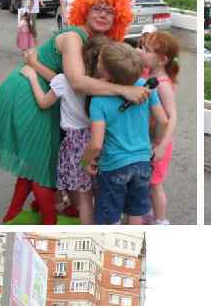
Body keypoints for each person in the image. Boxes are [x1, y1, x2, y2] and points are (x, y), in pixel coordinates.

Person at [0, 0, 151, 225]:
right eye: (97, 8)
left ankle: (37, 207)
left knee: (43, 158)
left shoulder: (96, 41)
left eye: (110, 11)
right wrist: (124, 89)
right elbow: (75, 81)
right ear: (85, 9)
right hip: (29, 91)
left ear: (118, 17)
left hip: (50, 90)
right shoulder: (74, 37)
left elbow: (66, 80)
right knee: (42, 160)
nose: (103, 15)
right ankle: (42, 219)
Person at [20, 35, 110, 225]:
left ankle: (87, 230)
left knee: (84, 199)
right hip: (100, 138)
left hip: (76, 143)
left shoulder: (64, 80)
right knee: (101, 191)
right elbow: (57, 79)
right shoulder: (102, 82)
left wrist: (33, 77)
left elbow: (44, 102)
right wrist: (35, 64)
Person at [83, 42, 169, 225]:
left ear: (106, 72)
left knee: (110, 217)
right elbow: (163, 120)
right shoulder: (145, 87)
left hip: (114, 165)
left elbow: (96, 144)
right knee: (135, 212)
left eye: (99, 60)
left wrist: (85, 161)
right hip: (143, 162)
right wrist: (156, 143)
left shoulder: (98, 100)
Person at [142, 30, 180, 225]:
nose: (142, 52)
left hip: (158, 143)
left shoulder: (162, 84)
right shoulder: (151, 74)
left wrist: (162, 146)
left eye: (147, 50)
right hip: (150, 140)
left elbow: (172, 116)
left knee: (155, 184)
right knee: (147, 183)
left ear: (162, 60)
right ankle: (148, 216)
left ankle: (161, 222)